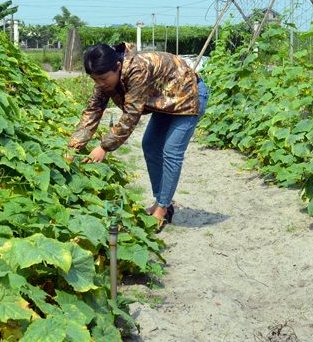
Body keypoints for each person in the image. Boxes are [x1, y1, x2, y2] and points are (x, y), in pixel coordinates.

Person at [65, 42, 209, 225]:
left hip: (189, 94)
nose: (100, 84)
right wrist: (74, 147)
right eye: (96, 80)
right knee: (150, 144)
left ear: (118, 66)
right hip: (165, 99)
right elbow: (93, 110)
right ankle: (161, 202)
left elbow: (131, 115)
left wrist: (104, 147)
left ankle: (163, 208)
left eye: (103, 78)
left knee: (172, 151)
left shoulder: (137, 69)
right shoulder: (104, 79)